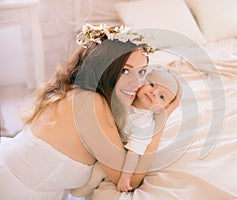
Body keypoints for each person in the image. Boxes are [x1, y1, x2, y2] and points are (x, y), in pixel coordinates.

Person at [0, 23, 180, 200]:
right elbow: (130, 182)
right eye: (125, 70)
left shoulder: (81, 91)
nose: (137, 83)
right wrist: (160, 121)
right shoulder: (90, 104)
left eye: (141, 72)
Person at [117, 68, 179, 192]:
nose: (154, 92)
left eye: (161, 96)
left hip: (118, 155)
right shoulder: (125, 98)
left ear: (161, 109)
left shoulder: (144, 124)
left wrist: (125, 176)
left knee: (96, 174)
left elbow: (133, 153)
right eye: (151, 84)